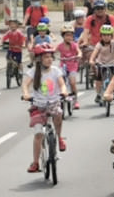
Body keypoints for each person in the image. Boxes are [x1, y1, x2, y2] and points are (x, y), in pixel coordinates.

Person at [22, 44, 69, 172]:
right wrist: (26, 94)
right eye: (46, 57)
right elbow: (25, 85)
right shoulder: (32, 72)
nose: (49, 59)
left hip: (54, 102)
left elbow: (62, 84)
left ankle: (59, 138)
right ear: (38, 59)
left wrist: (64, 91)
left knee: (58, 115)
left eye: (50, 57)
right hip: (38, 105)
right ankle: (35, 162)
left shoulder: (55, 70)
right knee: (38, 134)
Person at [90, 25, 114, 105]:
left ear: (111, 36)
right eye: (104, 35)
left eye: (108, 35)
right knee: (98, 79)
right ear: (101, 36)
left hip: (113, 63)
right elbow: (94, 54)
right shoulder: (99, 44)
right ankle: (98, 94)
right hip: (102, 64)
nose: (106, 37)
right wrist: (91, 60)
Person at [56, 27, 82, 109]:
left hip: (72, 65)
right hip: (63, 65)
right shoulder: (60, 46)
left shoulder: (74, 45)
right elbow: (53, 51)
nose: (69, 37)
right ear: (63, 36)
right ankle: (59, 98)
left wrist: (79, 55)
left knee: (72, 82)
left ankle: (75, 100)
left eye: (71, 36)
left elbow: (79, 51)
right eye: (67, 35)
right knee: (59, 81)